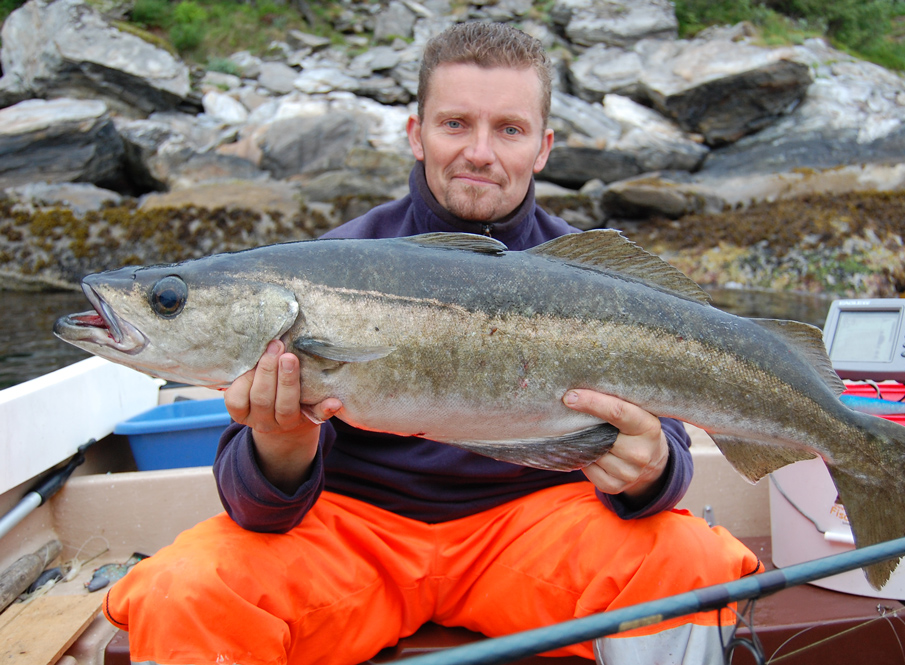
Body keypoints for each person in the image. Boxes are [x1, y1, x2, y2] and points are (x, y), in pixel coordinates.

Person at [103, 21, 760, 665]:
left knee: (691, 566)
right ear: (416, 135)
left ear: (543, 147)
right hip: (357, 537)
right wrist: (280, 447)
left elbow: (664, 453)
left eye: (508, 128)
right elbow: (256, 510)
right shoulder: (327, 264)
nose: (479, 151)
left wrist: (651, 471)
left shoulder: (598, 283)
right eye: (455, 124)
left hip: (536, 529)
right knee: (183, 590)